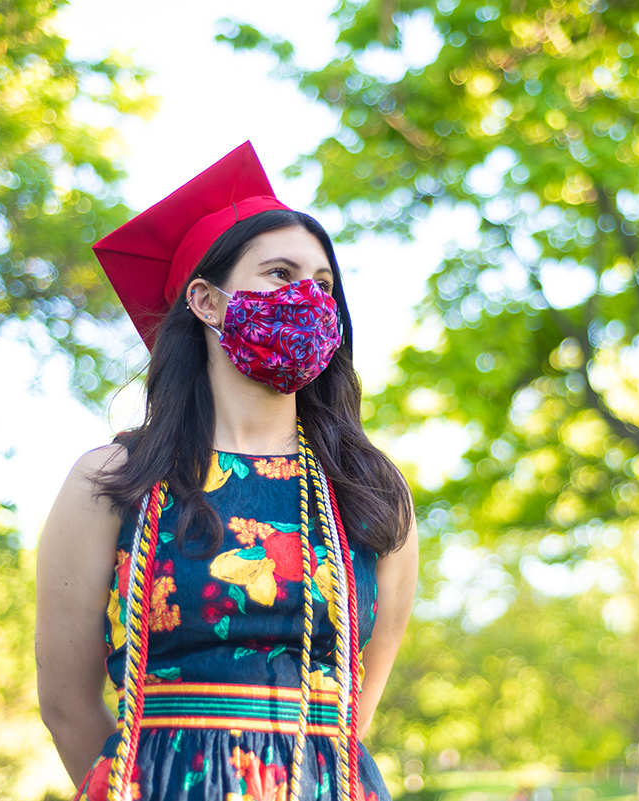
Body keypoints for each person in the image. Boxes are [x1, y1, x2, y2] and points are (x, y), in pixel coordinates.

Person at [35, 142, 418, 801]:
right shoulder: (112, 481)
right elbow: (68, 703)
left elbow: (355, 709)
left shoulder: (370, 491)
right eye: (280, 273)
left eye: (324, 283)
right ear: (207, 302)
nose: (309, 296)